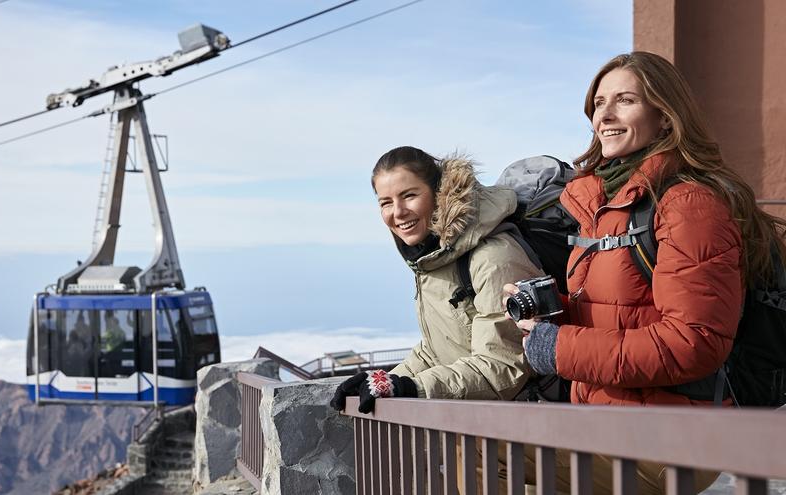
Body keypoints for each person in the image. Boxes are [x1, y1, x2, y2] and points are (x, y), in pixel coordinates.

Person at [511, 51, 786, 494]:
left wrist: (559, 348)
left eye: (625, 101)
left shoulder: (688, 204)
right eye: (599, 103)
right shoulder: (605, 204)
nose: (606, 115)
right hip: (610, 423)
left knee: (481, 458)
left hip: (673, 438)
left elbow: (694, 341)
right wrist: (552, 314)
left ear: (664, 117)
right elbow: (626, 312)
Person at [329, 145, 541, 409]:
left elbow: (503, 366)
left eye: (409, 195)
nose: (398, 212)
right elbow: (437, 351)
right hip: (475, 429)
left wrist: (413, 388)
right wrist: (387, 379)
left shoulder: (493, 258)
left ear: (438, 194)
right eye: (386, 202)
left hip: (527, 436)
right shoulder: (435, 259)